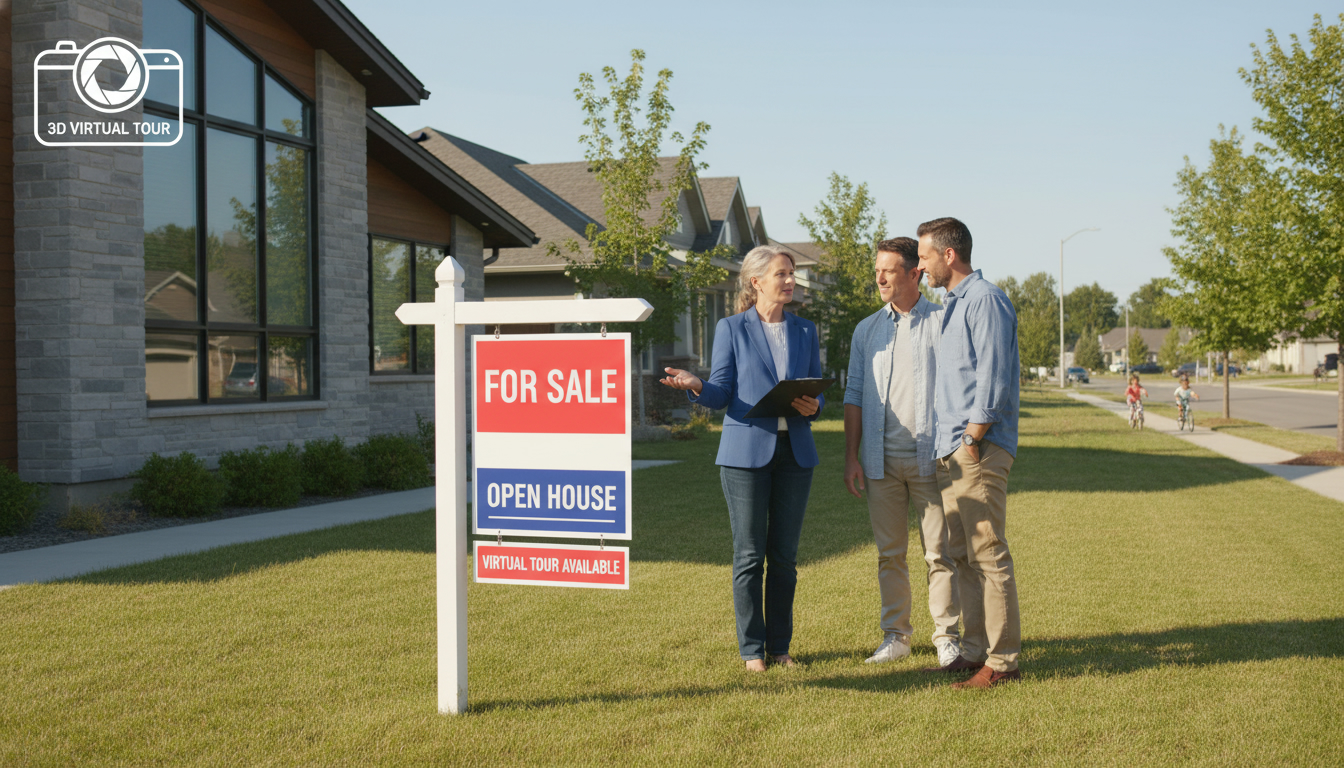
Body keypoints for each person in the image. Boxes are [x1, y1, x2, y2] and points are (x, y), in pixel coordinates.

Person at [659, 244, 824, 672]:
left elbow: (815, 391)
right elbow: (721, 391)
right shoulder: (731, 328)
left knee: (784, 558)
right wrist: (698, 384)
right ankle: (752, 651)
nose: (790, 281)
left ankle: (780, 648)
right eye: (782, 274)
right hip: (745, 454)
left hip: (795, 452)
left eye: (792, 273)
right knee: (750, 556)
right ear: (756, 282)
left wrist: (815, 406)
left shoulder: (806, 331)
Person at [842, 237, 962, 668]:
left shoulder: (944, 321)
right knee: (889, 554)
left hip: (933, 460)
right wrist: (851, 456)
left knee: (940, 554)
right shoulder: (865, 330)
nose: (879, 278)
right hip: (880, 462)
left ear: (915, 274)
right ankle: (897, 636)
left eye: (889, 270)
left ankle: (947, 636)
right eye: (877, 269)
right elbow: (853, 394)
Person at [917, 216, 1023, 690]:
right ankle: (976, 652)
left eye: (922, 257)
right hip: (952, 451)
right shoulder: (951, 304)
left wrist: (972, 437)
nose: (920, 268)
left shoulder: (985, 300)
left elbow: (994, 377)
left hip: (975, 450)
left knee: (988, 553)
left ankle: (1002, 663)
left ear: (948, 255)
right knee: (962, 556)